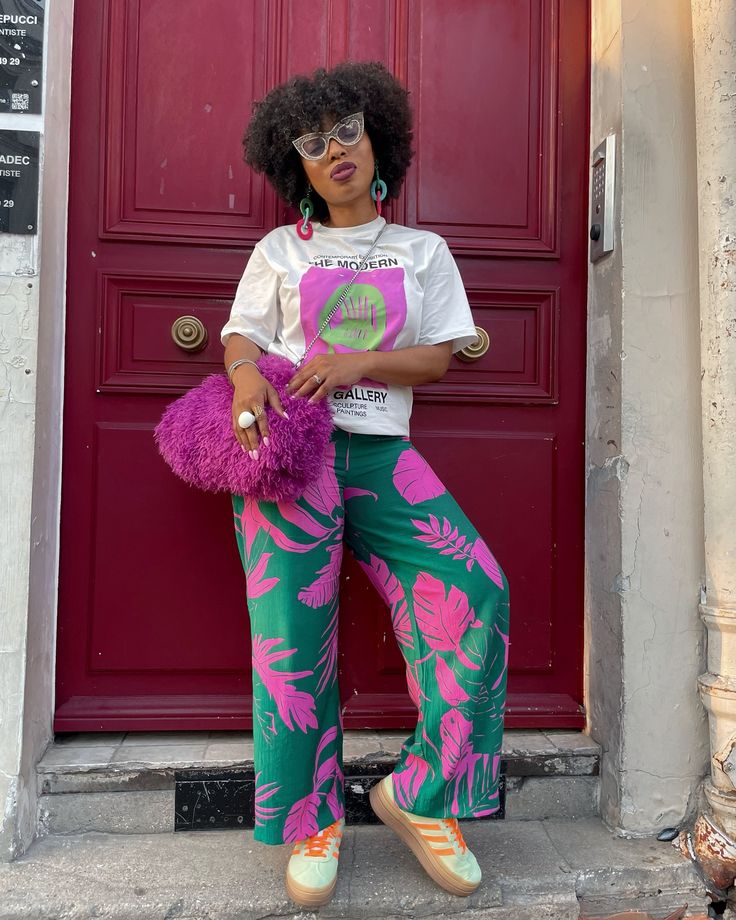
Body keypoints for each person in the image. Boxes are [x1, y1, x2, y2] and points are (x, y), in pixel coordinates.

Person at [220, 61, 510, 909]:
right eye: (313, 144)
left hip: (384, 454)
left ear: (378, 137)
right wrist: (245, 380)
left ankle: (421, 796)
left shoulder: (424, 251)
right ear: (295, 167)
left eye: (347, 130)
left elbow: (441, 356)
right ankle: (313, 819)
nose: (335, 150)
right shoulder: (279, 251)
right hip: (291, 456)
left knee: (474, 589)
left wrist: (360, 362)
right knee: (289, 640)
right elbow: (240, 337)